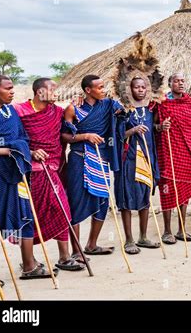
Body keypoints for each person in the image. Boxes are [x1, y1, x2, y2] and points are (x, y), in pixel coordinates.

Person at [0, 74, 55, 289]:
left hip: (17, 171)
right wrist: (8, 151)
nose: (12, 91)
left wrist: (30, 152)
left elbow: (21, 138)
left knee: (26, 215)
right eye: (8, 88)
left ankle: (29, 265)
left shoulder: (10, 110)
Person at [15, 78, 84, 271]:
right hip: (29, 171)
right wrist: (30, 152)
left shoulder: (58, 112)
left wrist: (77, 105)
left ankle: (64, 256)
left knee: (61, 208)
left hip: (52, 168)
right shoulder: (19, 112)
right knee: (30, 215)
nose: (56, 93)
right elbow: (12, 139)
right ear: (39, 92)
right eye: (52, 89)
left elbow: (71, 125)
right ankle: (29, 261)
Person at [62, 75, 125, 260]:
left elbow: (123, 113)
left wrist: (120, 107)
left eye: (104, 86)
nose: (103, 90)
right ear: (88, 90)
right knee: (77, 202)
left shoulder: (108, 105)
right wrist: (85, 136)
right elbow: (64, 136)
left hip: (101, 158)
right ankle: (76, 251)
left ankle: (91, 244)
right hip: (79, 159)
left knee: (103, 202)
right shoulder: (74, 108)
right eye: (99, 87)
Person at [154, 72, 191, 244]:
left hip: (187, 155)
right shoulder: (162, 103)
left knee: (185, 193)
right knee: (168, 192)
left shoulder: (190, 103)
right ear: (170, 84)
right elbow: (151, 124)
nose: (180, 84)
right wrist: (160, 126)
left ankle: (182, 229)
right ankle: (167, 231)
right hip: (169, 154)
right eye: (176, 81)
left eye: (183, 80)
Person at [114, 76, 161, 254]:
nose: (141, 90)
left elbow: (151, 129)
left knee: (144, 197)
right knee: (126, 198)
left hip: (147, 157)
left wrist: (159, 127)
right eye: (137, 87)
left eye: (143, 87)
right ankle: (129, 240)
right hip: (129, 159)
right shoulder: (123, 110)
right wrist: (132, 130)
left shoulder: (150, 110)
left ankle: (143, 237)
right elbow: (116, 135)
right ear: (130, 90)